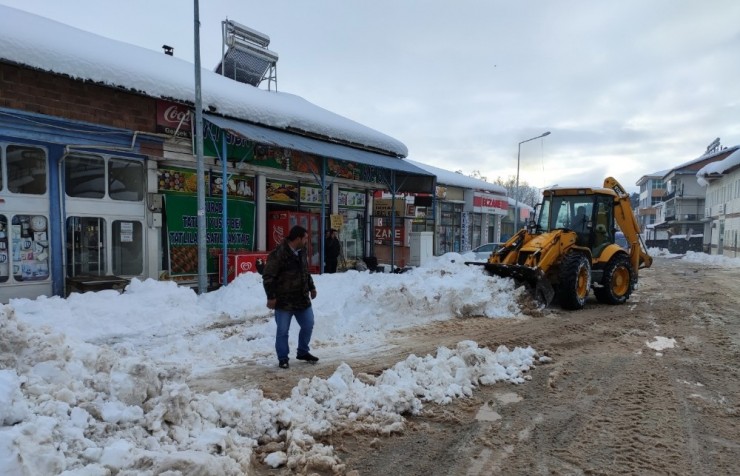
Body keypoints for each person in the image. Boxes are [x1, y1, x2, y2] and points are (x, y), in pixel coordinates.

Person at [262, 225, 318, 369]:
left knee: (308, 324)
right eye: (305, 238)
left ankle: (303, 351)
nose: (307, 241)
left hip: (301, 299)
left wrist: (311, 287)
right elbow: (268, 277)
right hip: (284, 301)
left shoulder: (302, 251)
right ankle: (283, 358)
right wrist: (271, 297)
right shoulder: (278, 254)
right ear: (298, 238)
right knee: (282, 330)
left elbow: (305, 271)